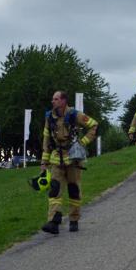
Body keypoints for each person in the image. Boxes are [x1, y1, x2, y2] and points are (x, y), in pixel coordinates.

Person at [40, 90, 98, 234]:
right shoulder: (49, 117)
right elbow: (46, 140)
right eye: (53, 99)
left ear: (63, 101)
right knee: (54, 190)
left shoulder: (74, 115)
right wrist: (44, 162)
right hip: (56, 159)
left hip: (73, 159)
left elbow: (93, 125)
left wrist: (83, 142)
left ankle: (74, 219)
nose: (53, 101)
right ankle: (54, 221)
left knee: (74, 190)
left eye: (56, 99)